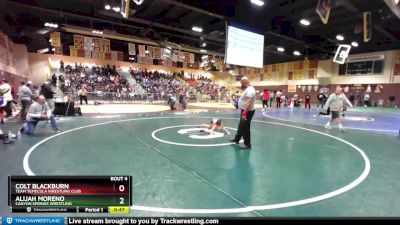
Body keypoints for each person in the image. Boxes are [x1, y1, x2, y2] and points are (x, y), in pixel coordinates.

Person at [230, 77, 256, 149]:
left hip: (247, 112)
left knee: (245, 127)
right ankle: (237, 139)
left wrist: (244, 114)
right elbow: (245, 100)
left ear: (244, 82)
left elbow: (249, 102)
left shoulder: (250, 90)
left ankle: (247, 144)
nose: (241, 85)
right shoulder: (248, 89)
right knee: (241, 125)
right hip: (245, 110)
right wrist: (238, 104)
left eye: (241, 83)